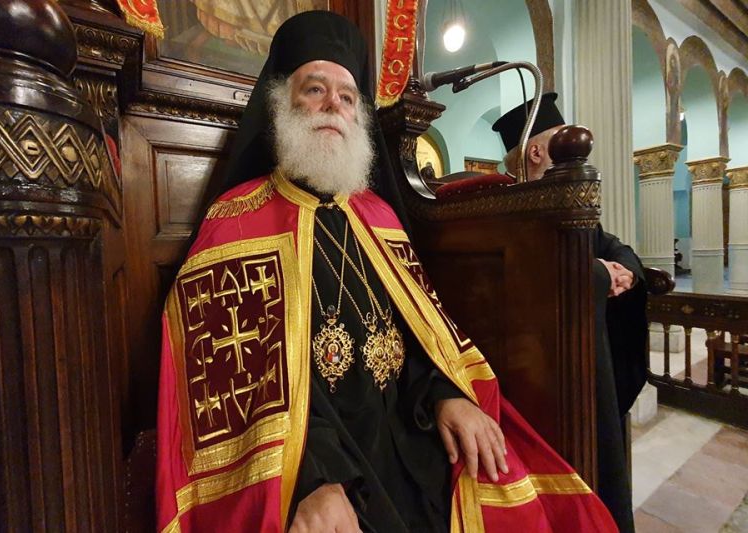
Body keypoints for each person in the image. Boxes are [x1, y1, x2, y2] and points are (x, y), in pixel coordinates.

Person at [156, 13, 617, 533]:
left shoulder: (377, 216)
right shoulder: (238, 221)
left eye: (348, 96)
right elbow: (234, 389)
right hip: (321, 465)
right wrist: (311, 480)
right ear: (281, 104)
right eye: (315, 89)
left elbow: (419, 333)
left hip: (410, 439)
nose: (334, 105)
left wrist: (444, 395)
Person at [493, 93, 649, 533]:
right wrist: (597, 273)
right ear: (537, 152)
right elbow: (531, 271)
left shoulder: (566, 199)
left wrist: (625, 272)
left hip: (588, 356)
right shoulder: (503, 205)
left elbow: (612, 246)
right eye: (562, 143)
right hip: (544, 368)